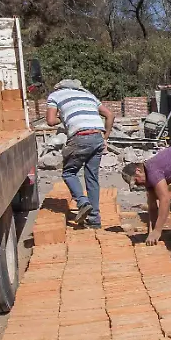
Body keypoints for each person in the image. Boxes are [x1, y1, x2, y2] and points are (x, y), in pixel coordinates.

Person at [45, 79, 115, 228]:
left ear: (59, 87)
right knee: (92, 178)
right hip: (97, 137)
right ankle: (95, 220)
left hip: (80, 137)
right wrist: (105, 138)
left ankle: (83, 203)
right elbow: (110, 115)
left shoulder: (55, 95)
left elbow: (50, 121)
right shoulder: (88, 95)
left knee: (69, 173)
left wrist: (63, 116)